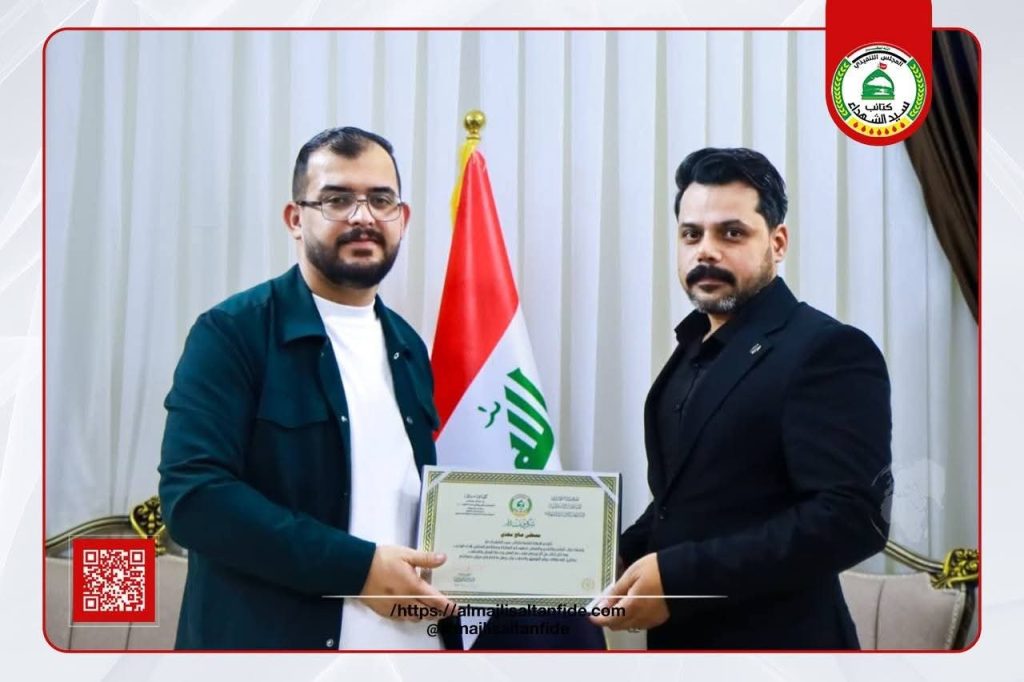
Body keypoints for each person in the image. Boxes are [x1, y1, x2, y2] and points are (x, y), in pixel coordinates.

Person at [158, 126, 460, 650]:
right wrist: (359, 569)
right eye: (337, 199)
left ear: (402, 218)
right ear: (296, 219)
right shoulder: (232, 333)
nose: (363, 217)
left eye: (381, 200)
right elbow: (194, 500)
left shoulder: (409, 346)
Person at [591, 147, 893, 649]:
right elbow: (682, 503)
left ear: (777, 242)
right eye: (691, 234)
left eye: (731, 233)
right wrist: (610, 556)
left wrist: (679, 577)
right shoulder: (691, 350)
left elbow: (850, 519)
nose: (706, 251)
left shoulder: (828, 349)